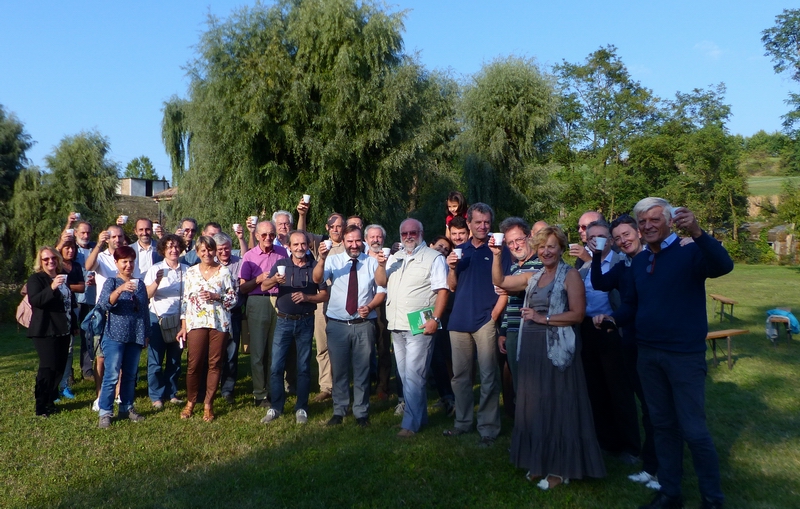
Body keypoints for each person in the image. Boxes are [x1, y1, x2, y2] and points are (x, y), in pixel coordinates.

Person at [597, 198, 733, 509]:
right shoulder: (642, 261)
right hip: (648, 354)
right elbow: (633, 303)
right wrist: (614, 319)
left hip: (683, 356)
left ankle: (712, 499)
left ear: (669, 221)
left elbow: (723, 265)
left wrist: (698, 232)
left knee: (694, 430)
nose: (647, 226)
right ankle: (670, 493)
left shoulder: (688, 251)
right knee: (661, 425)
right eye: (642, 221)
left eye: (654, 219)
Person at [491, 226, 606, 489]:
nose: (546, 251)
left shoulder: (571, 275)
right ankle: (539, 460)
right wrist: (497, 256)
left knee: (558, 405)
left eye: (551, 246)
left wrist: (543, 319)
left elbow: (577, 314)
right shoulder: (533, 276)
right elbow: (501, 282)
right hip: (531, 350)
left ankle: (559, 469)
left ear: (561, 248)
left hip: (556, 350)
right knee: (535, 406)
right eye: (542, 246)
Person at [590, 214, 660, 490]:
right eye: (617, 238)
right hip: (631, 341)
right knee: (647, 407)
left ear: (639, 233)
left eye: (626, 235)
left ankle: (661, 470)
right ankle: (651, 466)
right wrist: (596, 255)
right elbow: (599, 283)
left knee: (657, 410)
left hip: (654, 342)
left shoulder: (653, 262)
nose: (623, 240)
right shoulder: (624, 269)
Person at [443, 203, 511, 446]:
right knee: (460, 377)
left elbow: (506, 286)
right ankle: (462, 423)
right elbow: (452, 286)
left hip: (485, 321)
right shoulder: (462, 251)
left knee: (489, 376)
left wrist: (493, 315)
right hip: (459, 321)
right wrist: (451, 267)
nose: (483, 226)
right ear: (468, 224)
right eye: (478, 222)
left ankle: (488, 428)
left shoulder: (499, 250)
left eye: (487, 222)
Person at [375, 219, 448, 437]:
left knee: (415, 375)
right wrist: (381, 264)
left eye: (413, 232)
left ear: (421, 233)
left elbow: (443, 291)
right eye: (404, 233)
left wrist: (435, 318)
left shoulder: (433, 258)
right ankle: (419, 417)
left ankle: (409, 425)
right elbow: (381, 282)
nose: (408, 236)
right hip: (396, 324)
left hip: (420, 322)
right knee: (406, 375)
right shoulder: (394, 258)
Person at [578, 220, 641, 464]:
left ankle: (631, 446)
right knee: (596, 388)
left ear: (611, 240)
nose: (595, 240)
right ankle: (606, 441)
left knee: (620, 390)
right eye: (591, 236)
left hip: (613, 331)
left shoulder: (621, 262)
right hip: (587, 330)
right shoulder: (584, 267)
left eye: (601, 236)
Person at [312, 224, 386, 427]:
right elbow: (317, 278)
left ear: (362, 241)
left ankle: (361, 412)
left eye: (357, 241)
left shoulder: (371, 262)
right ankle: (339, 410)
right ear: (343, 242)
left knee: (362, 370)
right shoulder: (333, 260)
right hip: (337, 325)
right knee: (340, 370)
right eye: (350, 241)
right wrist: (321, 258)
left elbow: (381, 289)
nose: (354, 245)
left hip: (363, 324)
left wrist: (370, 305)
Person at [260, 230, 328, 424]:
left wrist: (307, 297)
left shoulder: (315, 266)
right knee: (276, 366)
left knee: (304, 367)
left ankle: (301, 408)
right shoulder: (281, 264)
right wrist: (275, 280)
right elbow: (264, 286)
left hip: (306, 321)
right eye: (296, 245)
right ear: (288, 247)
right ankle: (276, 407)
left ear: (308, 246)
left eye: (303, 244)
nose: (300, 248)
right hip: (283, 321)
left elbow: (324, 295)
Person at [177, 236, 238, 422]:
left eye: (210, 250)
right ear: (197, 252)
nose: (207, 253)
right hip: (196, 323)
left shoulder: (224, 272)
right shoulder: (191, 272)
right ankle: (191, 401)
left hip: (219, 323)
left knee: (215, 364)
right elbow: (185, 301)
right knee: (194, 365)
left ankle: (208, 404)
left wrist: (216, 296)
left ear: (215, 251)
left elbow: (233, 300)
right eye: (203, 250)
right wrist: (183, 326)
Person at [95, 245, 150, 428]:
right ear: (116, 262)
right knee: (111, 375)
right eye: (124, 262)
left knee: (130, 375)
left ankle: (127, 407)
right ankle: (105, 411)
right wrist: (120, 290)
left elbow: (143, 311)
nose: (128, 265)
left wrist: (145, 335)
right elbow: (104, 305)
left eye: (131, 261)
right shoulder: (111, 282)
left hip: (134, 335)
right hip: (114, 335)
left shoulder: (140, 284)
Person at [297, 203, 346, 402]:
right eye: (332, 226)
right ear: (327, 228)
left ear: (344, 228)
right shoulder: (321, 244)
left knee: (343, 348)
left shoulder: (351, 245)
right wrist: (302, 214)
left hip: (344, 303)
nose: (335, 229)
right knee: (323, 347)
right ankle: (326, 386)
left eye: (339, 226)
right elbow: (300, 237)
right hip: (322, 303)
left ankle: (343, 385)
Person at [239, 220, 288, 407]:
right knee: (258, 351)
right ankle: (259, 394)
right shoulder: (250, 256)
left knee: (275, 350)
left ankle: (273, 389)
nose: (269, 238)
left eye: (272, 235)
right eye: (265, 235)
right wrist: (259, 279)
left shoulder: (282, 253)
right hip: (258, 301)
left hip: (279, 301)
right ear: (257, 236)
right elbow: (243, 288)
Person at [496, 217, 542, 418]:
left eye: (519, 240)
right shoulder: (514, 267)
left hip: (534, 331)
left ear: (529, 237)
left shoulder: (541, 263)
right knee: (519, 384)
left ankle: (536, 428)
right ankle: (524, 429)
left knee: (534, 385)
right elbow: (510, 303)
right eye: (510, 242)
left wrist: (507, 286)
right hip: (514, 332)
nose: (515, 245)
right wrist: (504, 331)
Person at [26, 247, 78, 417]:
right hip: (45, 330)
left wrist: (74, 324)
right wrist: (52, 287)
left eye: (53, 258)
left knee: (59, 368)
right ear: (40, 262)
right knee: (47, 368)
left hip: (64, 329)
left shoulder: (62, 276)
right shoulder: (36, 279)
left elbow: (69, 303)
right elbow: (36, 301)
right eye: (46, 259)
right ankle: (40, 406)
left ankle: (50, 400)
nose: (50, 262)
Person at [144, 234, 188, 409]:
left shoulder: (187, 269)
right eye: (169, 247)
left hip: (179, 320)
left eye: (176, 246)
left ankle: (171, 392)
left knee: (175, 359)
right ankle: (156, 395)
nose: (173, 250)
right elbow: (147, 295)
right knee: (155, 360)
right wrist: (157, 281)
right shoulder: (155, 269)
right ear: (163, 250)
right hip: (157, 318)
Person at [214, 233, 245, 404]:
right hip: (214, 314)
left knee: (232, 353)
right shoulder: (211, 264)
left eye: (227, 247)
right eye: (220, 249)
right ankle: (210, 386)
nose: (224, 251)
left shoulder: (239, 263)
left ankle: (227, 389)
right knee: (214, 354)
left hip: (234, 312)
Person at [427, 235, 455, 416]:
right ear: (431, 245)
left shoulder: (447, 266)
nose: (442, 250)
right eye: (440, 246)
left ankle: (448, 396)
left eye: (446, 249)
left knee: (441, 356)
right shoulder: (422, 260)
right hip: (420, 313)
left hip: (442, 315)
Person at [56, 239, 86, 399]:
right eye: (67, 248)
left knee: (68, 350)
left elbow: (81, 287)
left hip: (71, 309)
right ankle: (53, 385)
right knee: (54, 351)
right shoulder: (55, 265)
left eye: (73, 248)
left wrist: (64, 285)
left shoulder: (75, 267)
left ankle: (64, 385)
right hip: (54, 312)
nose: (70, 251)